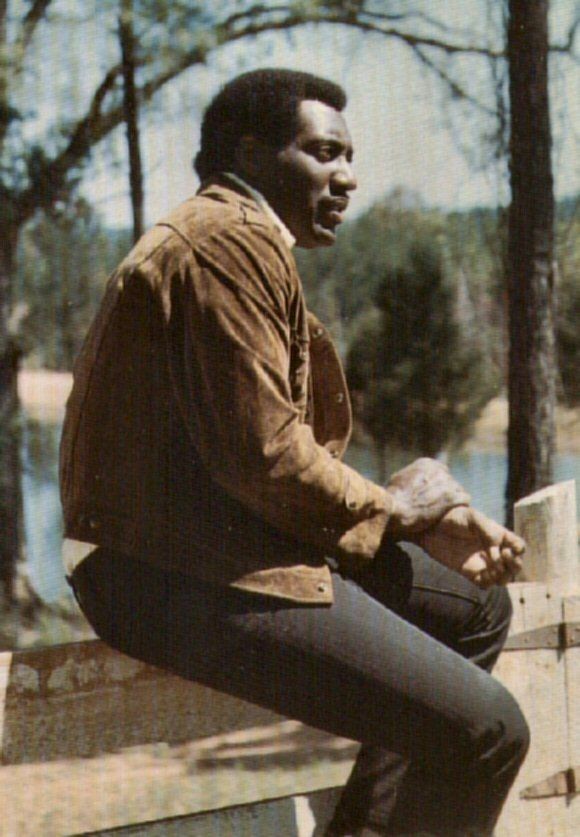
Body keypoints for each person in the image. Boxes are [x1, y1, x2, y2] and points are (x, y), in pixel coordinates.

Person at [60, 69, 529, 836]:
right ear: (250, 152)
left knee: (475, 606)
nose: (348, 177)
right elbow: (264, 457)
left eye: (349, 156)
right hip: (168, 574)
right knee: (489, 732)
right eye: (323, 152)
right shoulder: (224, 244)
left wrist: (403, 519)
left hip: (211, 553)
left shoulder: (242, 240)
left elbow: (255, 451)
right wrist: (396, 507)